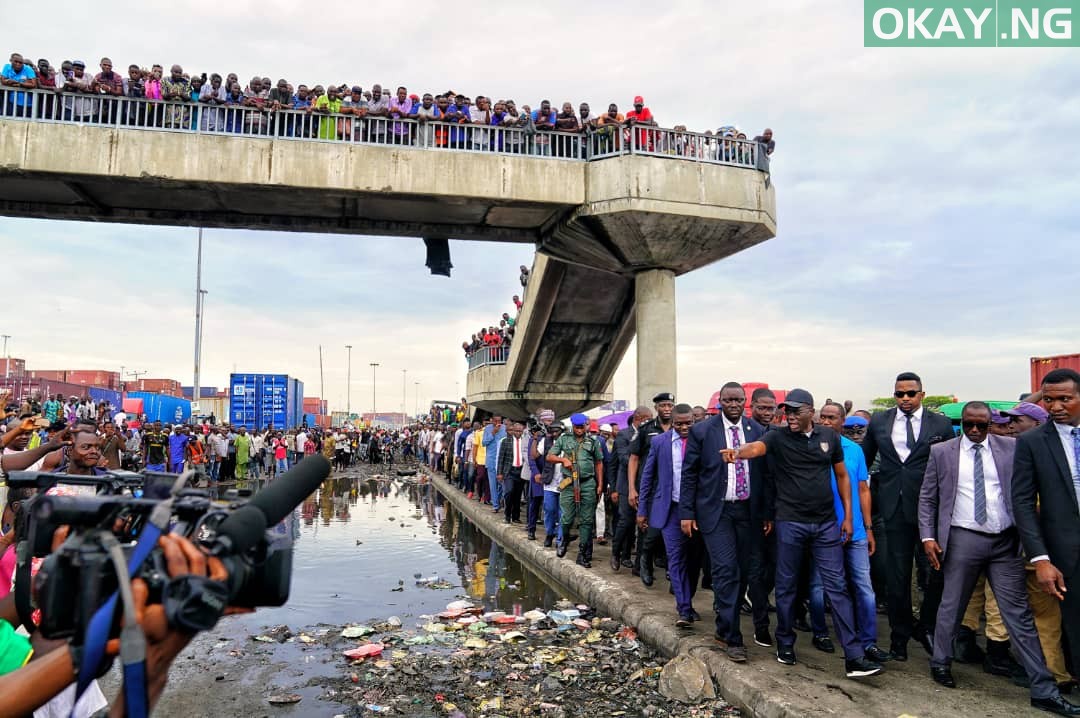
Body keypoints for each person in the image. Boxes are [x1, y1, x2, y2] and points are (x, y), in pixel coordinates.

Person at [920, 401, 1080, 715]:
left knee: (1018, 614)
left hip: (1005, 541)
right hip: (963, 538)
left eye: (982, 425)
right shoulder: (943, 452)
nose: (976, 431)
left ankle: (1043, 689)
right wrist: (928, 537)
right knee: (952, 605)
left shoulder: (1010, 448)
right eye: (969, 425)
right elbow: (928, 497)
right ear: (962, 423)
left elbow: (1023, 491)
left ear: (992, 423)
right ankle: (941, 661)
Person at [724, 388, 884, 679]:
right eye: (787, 411)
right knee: (786, 586)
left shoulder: (829, 438)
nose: (790, 416)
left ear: (811, 411)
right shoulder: (778, 436)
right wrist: (738, 453)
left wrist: (848, 517)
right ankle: (785, 643)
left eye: (796, 411)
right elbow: (756, 448)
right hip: (791, 523)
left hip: (826, 524)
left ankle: (854, 656)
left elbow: (842, 476)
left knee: (837, 588)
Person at [862, 371, 955, 660]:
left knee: (936, 573)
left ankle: (925, 626)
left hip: (930, 508)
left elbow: (951, 462)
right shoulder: (879, 421)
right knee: (896, 577)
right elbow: (863, 462)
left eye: (910, 393)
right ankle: (899, 637)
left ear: (921, 395)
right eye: (899, 393)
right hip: (893, 507)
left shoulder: (940, 422)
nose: (904, 398)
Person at [680, 383, 767, 661]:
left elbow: (766, 475)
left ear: (745, 402)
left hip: (747, 512)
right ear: (720, 402)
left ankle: (722, 626)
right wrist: (687, 513)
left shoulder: (757, 431)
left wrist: (767, 513)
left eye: (738, 400)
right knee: (726, 569)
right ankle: (732, 638)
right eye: (728, 400)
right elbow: (690, 474)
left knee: (743, 571)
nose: (733, 404)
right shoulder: (703, 431)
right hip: (716, 512)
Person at [1014, 369, 1080, 695]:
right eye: (1050, 399)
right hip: (1064, 554)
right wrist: (1040, 559)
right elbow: (1023, 504)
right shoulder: (1032, 443)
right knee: (1073, 626)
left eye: (1065, 399)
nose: (1055, 406)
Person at [812, 403, 891, 663]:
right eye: (822, 416)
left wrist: (868, 528)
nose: (825, 421)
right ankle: (821, 633)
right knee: (819, 586)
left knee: (864, 588)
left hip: (855, 530)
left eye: (831, 417)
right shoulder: (811, 449)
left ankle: (868, 641)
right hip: (824, 528)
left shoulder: (855, 451)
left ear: (841, 421)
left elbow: (864, 491)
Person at [638, 404, 699, 627]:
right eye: (679, 423)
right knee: (676, 558)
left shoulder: (701, 440)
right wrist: (643, 509)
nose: (684, 427)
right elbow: (647, 477)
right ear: (671, 422)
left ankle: (689, 600)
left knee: (695, 560)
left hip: (698, 511)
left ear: (694, 420)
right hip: (670, 509)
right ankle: (684, 609)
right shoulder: (659, 442)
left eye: (688, 423)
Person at [630, 393, 675, 586]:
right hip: (650, 486)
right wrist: (632, 488)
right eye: (663, 405)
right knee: (647, 528)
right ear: (656, 407)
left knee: (672, 530)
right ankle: (642, 564)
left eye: (670, 405)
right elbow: (634, 458)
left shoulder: (681, 428)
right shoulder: (646, 429)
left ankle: (671, 570)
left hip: (672, 486)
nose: (667, 409)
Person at [548, 413, 604, 568]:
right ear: (573, 426)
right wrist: (562, 459)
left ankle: (583, 553)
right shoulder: (564, 439)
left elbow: (599, 463)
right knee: (567, 518)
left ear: (586, 426)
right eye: (577, 427)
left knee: (587, 520)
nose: (579, 430)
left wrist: (600, 484)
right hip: (569, 483)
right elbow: (550, 456)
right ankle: (564, 540)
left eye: (582, 427)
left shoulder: (593, 441)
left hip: (588, 483)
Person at [611, 406, 653, 571]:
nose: (649, 421)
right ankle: (616, 552)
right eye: (648, 418)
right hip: (626, 486)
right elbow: (623, 458)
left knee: (643, 523)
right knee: (626, 522)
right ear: (639, 418)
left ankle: (638, 565)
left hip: (644, 484)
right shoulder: (624, 435)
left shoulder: (649, 435)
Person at [496, 420, 529, 524]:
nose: (518, 433)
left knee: (518, 494)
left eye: (520, 431)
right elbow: (501, 458)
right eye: (516, 431)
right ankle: (507, 515)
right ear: (513, 431)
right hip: (509, 471)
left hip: (521, 471)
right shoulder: (506, 441)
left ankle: (515, 517)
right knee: (509, 492)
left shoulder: (526, 441)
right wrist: (499, 473)